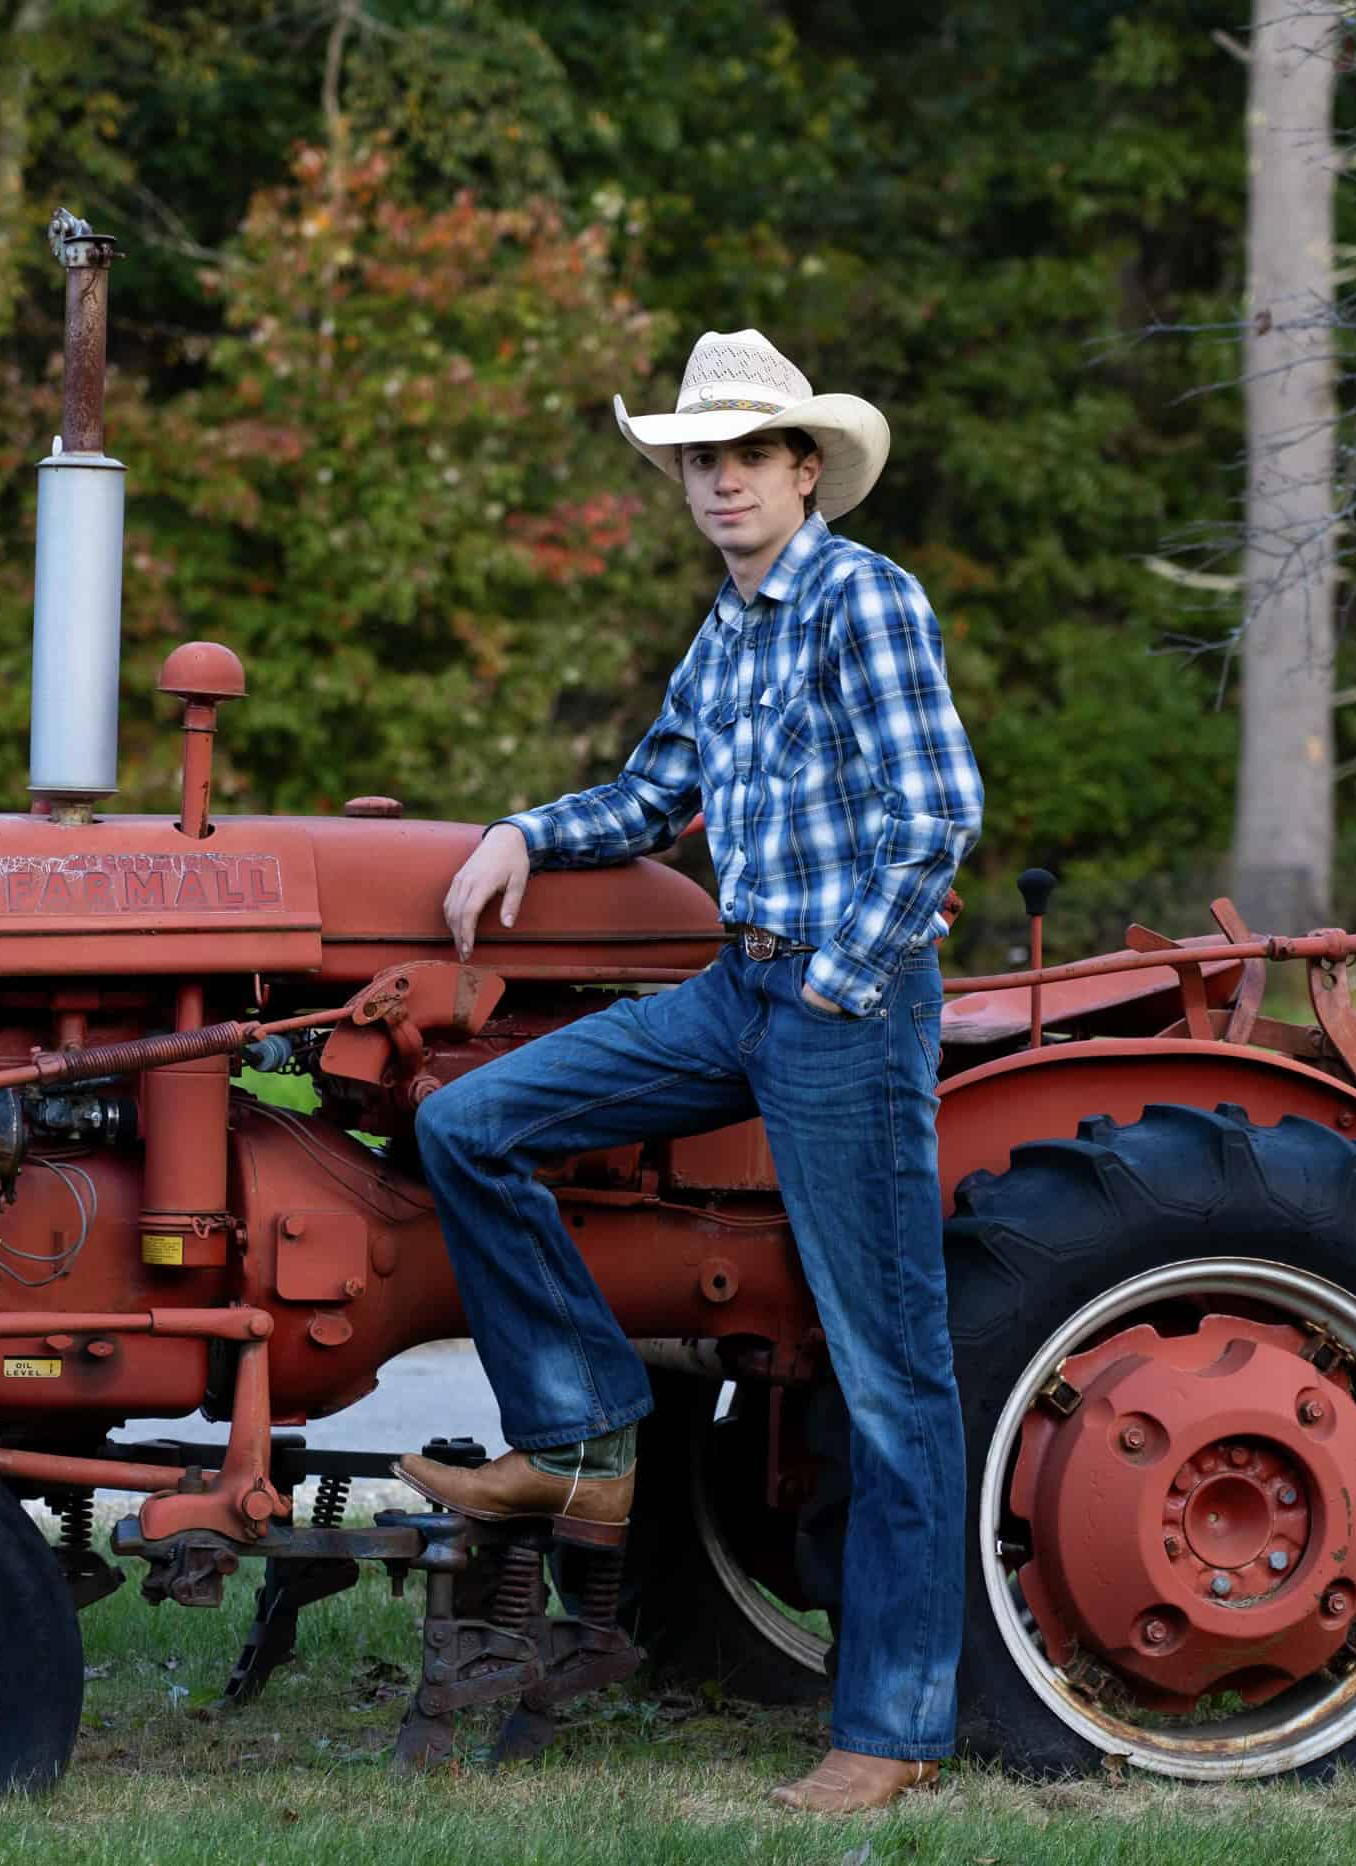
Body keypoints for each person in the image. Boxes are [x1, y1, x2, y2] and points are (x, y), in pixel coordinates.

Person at [393, 329, 984, 1814]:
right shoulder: (730, 628)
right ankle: (585, 1432)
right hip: (738, 988)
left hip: (841, 1003)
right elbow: (662, 790)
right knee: (470, 1121)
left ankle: (893, 1726)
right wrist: (524, 831)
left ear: (804, 468)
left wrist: (841, 992)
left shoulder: (864, 599)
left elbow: (937, 816)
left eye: (744, 457)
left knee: (889, 1366)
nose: (719, 481)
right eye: (697, 461)